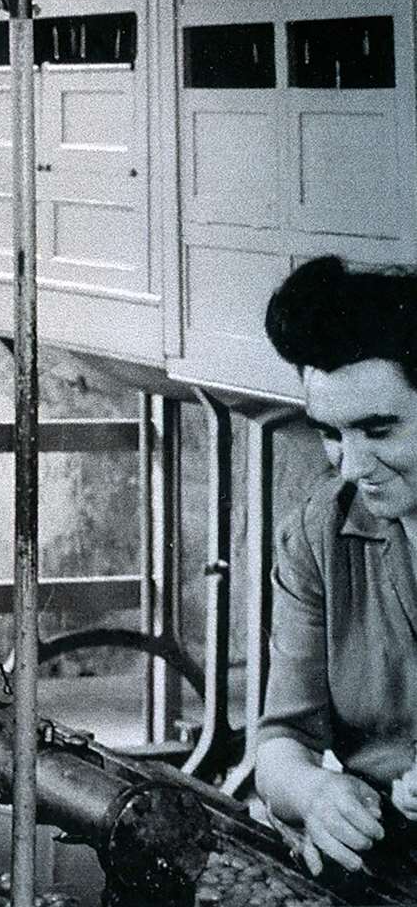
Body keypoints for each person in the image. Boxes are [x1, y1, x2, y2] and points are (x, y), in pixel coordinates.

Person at [256, 254, 417, 879]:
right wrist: (315, 794)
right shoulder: (319, 535)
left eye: (378, 430)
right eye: (331, 433)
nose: (351, 466)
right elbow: (278, 745)